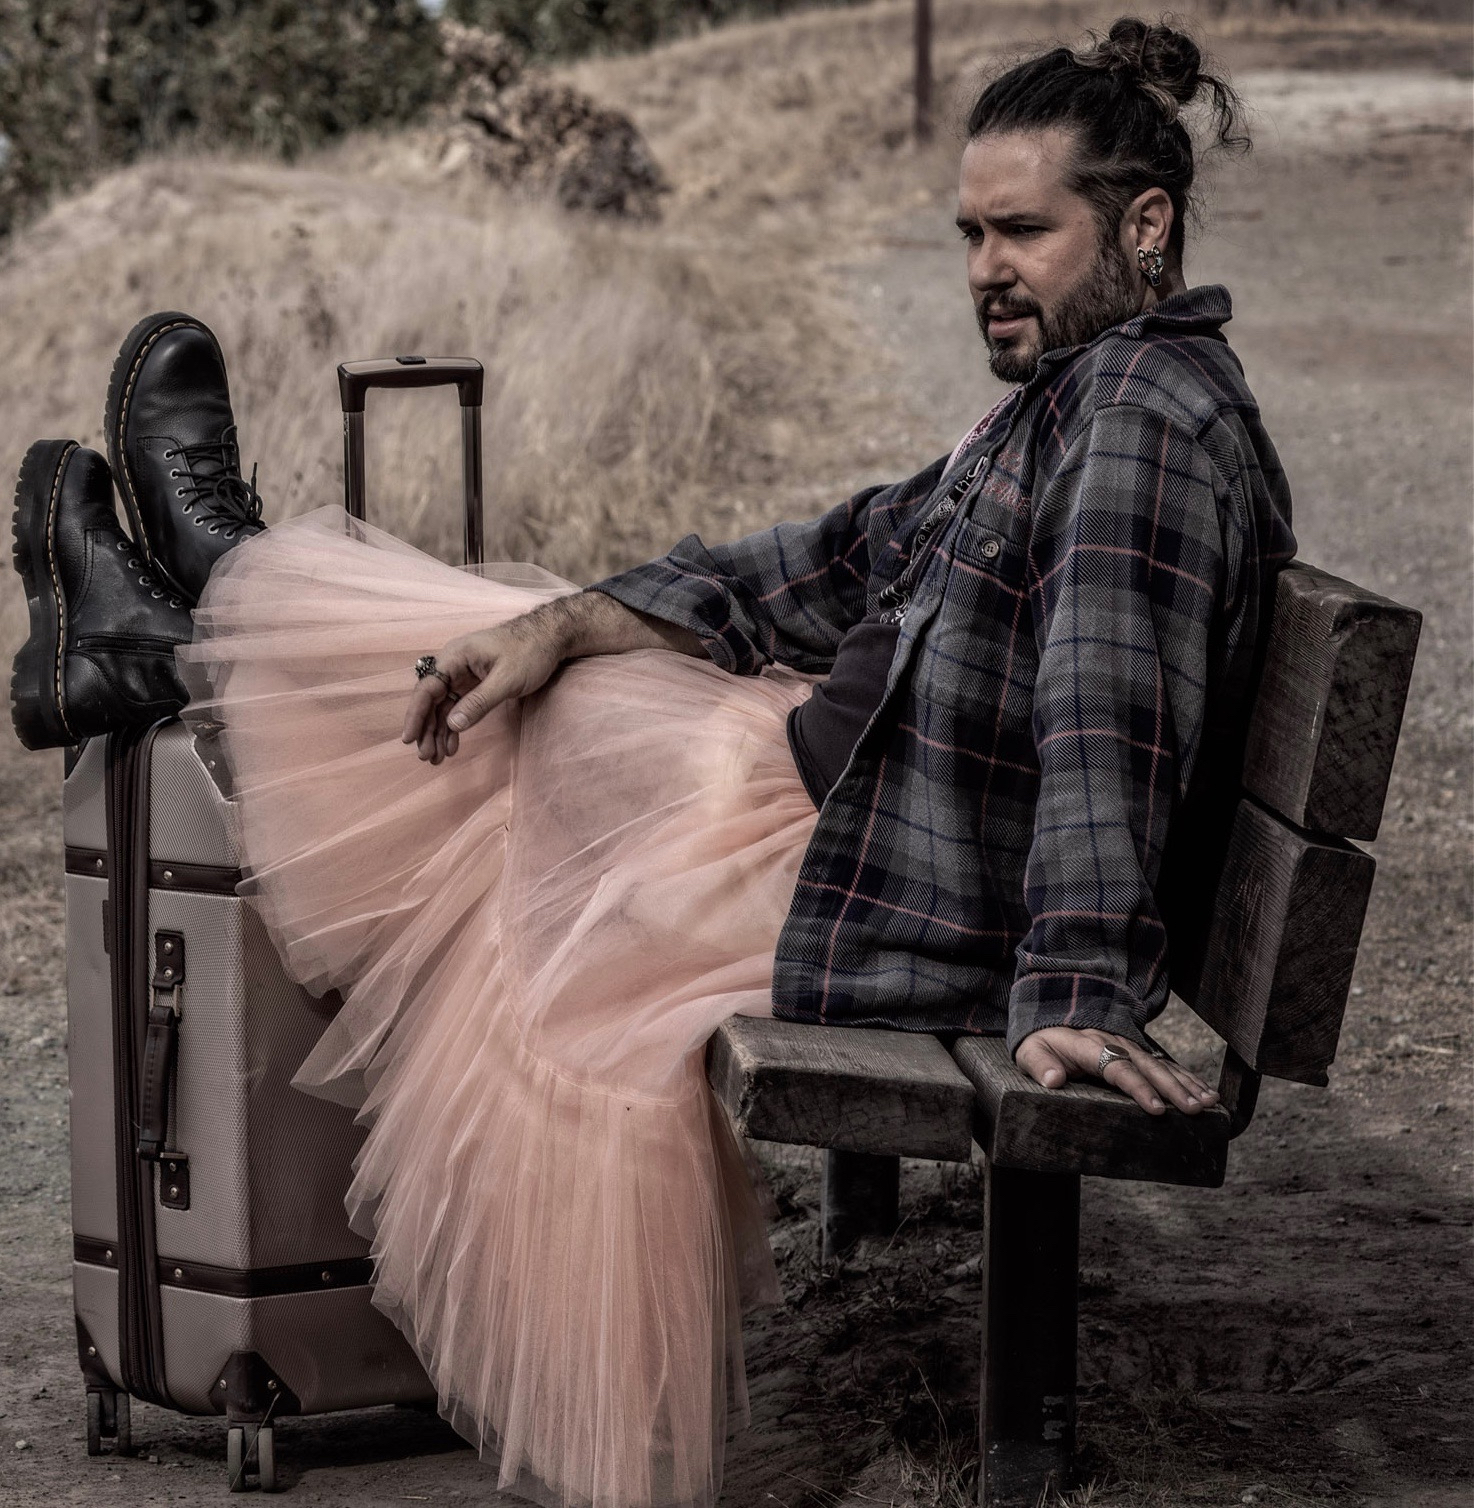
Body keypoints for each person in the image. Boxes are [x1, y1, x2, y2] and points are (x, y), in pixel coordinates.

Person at [9, 17, 1296, 1508]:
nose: (982, 271)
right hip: (843, 799)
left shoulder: (1136, 422)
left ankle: (193, 618)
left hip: (869, 873)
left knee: (505, 722)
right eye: (966, 234)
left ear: (1143, 225)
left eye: (1023, 231)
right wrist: (582, 619)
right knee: (524, 662)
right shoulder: (1084, 394)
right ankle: (192, 614)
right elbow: (850, 549)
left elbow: (1103, 713)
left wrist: (1072, 984)